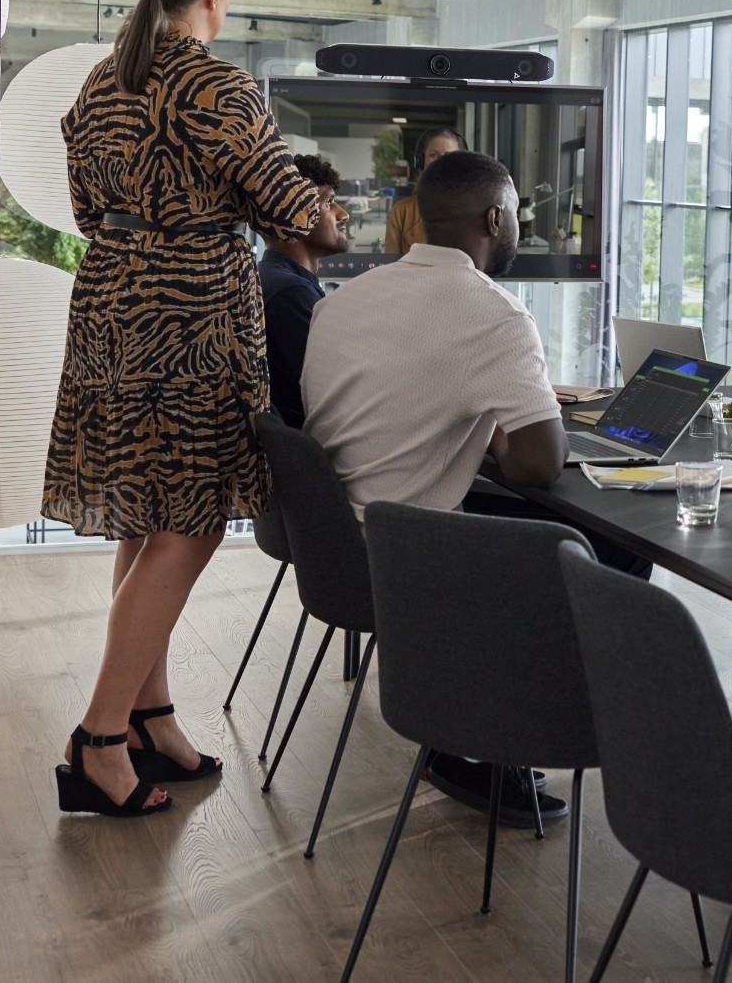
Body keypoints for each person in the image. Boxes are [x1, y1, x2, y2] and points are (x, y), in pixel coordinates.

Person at [47, 0, 323, 818]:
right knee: (193, 522)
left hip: (110, 307)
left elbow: (87, 208)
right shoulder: (220, 86)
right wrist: (325, 216)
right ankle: (97, 740)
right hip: (190, 317)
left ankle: (147, 716)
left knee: (146, 515)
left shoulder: (103, 81)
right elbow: (292, 209)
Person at [300, 149, 637, 825]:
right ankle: (508, 737)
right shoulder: (495, 314)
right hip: (411, 559)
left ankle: (471, 726)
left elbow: (404, 409)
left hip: (338, 545)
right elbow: (540, 465)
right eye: (515, 215)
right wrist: (499, 439)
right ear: (494, 219)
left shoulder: (347, 295)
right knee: (616, 547)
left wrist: (478, 434)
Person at [258, 154, 350, 429]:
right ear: (296, 216)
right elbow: (340, 391)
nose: (343, 214)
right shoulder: (290, 292)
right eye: (328, 203)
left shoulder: (279, 279)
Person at [383, 127, 466, 257]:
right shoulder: (401, 212)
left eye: (449, 156)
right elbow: (390, 264)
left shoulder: (472, 212)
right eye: (434, 155)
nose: (440, 162)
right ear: (421, 161)